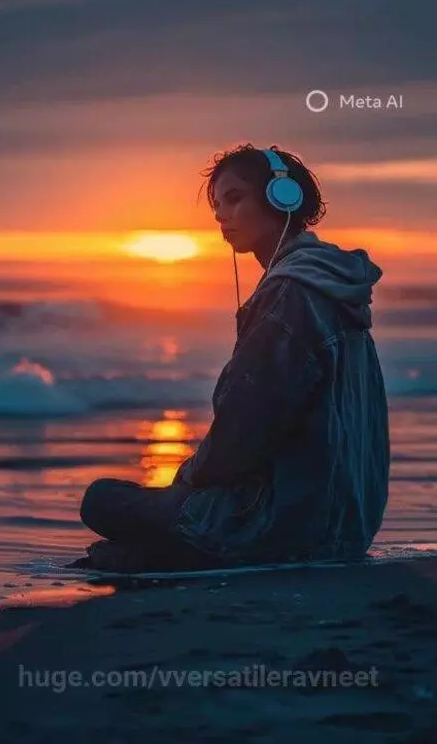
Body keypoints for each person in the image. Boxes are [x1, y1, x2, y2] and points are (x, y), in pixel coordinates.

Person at [78, 143, 390, 572]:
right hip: (348, 524)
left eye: (235, 198)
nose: (221, 215)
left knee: (102, 500)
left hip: (287, 525)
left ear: (282, 197)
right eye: (217, 205)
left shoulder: (290, 294)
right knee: (141, 519)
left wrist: (186, 482)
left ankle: (176, 552)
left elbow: (244, 430)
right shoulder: (335, 286)